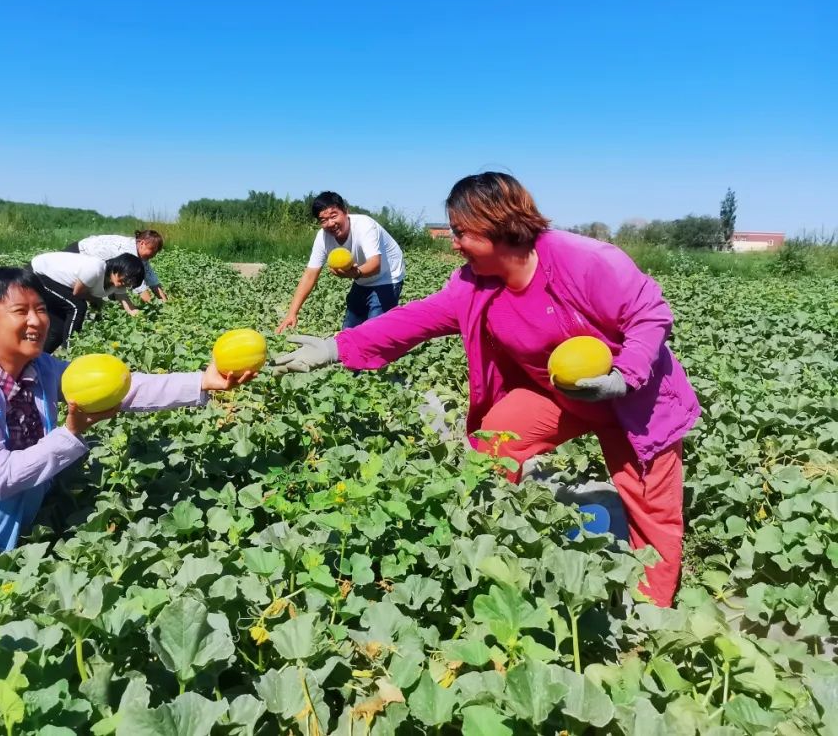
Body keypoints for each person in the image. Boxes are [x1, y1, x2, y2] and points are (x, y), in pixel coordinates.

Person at [271, 173, 700, 607]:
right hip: (558, 395)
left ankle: (652, 616)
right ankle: (500, 540)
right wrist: (335, 346)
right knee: (496, 438)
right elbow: (414, 320)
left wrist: (625, 375)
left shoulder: (583, 260)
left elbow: (650, 314)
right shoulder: (473, 284)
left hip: (636, 399)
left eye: (460, 232)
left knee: (653, 511)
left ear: (498, 225)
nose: (453, 243)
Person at [0, 267, 253, 587]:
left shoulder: (40, 367)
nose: (36, 321)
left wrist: (202, 381)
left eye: (41, 309)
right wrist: (71, 433)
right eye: (20, 311)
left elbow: (124, 388)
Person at [275, 192, 406, 333]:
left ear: (345, 212)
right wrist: (292, 313)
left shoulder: (365, 226)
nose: (330, 223)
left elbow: (375, 265)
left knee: (375, 332)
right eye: (323, 220)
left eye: (333, 216)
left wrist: (355, 273)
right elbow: (310, 275)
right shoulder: (323, 238)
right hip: (361, 280)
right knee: (348, 331)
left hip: (388, 277)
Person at [30, 250, 143, 352]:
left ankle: (37, 359)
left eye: (131, 282)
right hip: (39, 273)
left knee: (59, 330)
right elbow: (77, 293)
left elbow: (126, 302)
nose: (126, 283)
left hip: (60, 284)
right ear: (120, 267)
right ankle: (71, 352)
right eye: (127, 278)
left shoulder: (119, 283)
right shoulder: (95, 269)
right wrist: (97, 301)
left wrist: (138, 317)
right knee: (77, 307)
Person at [67, 230, 168, 314]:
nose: (154, 255)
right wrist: (154, 309)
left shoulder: (140, 254)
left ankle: (99, 313)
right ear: (142, 243)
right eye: (153, 251)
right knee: (74, 295)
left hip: (92, 263)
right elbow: (139, 286)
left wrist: (165, 303)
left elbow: (151, 278)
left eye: (156, 253)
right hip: (79, 253)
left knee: (114, 287)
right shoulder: (128, 251)